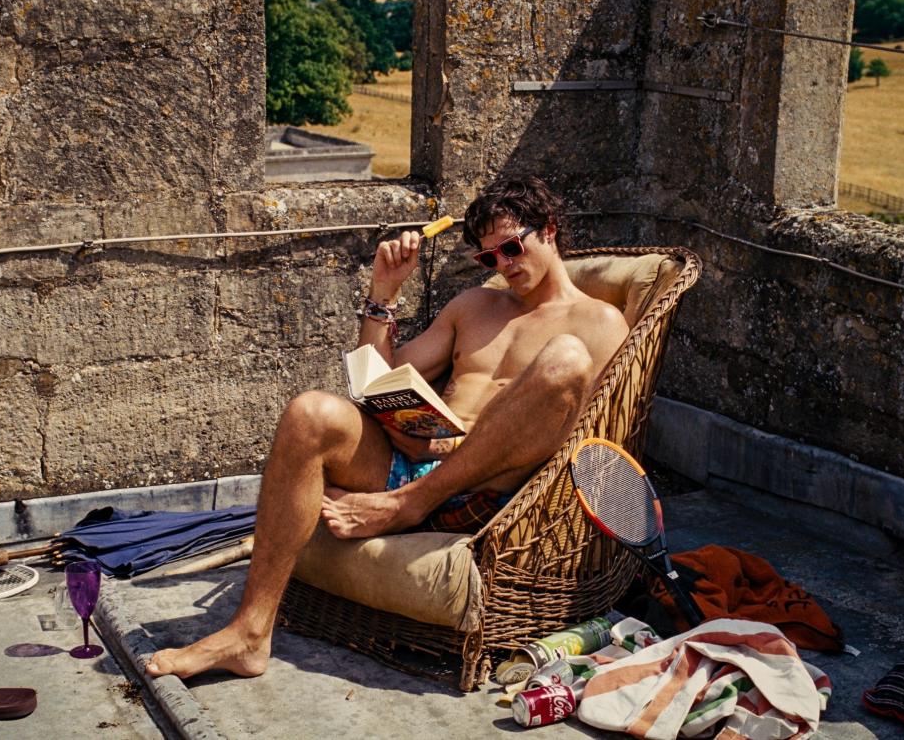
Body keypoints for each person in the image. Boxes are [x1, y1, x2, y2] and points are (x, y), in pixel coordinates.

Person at [146, 176, 629, 680]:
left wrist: (462, 448)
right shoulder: (473, 307)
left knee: (565, 358)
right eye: (489, 258)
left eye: (511, 248)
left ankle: (406, 506)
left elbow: (582, 432)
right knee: (309, 412)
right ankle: (250, 632)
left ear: (548, 230)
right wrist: (384, 293)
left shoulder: (600, 322)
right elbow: (377, 384)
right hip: (409, 463)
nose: (504, 266)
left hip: (488, 493)